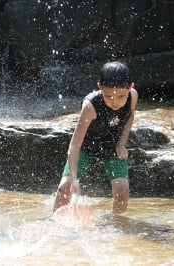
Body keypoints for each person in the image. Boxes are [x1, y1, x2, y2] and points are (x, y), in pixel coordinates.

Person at [53, 61, 138, 215]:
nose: (115, 101)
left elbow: (130, 117)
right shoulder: (90, 106)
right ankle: (55, 220)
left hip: (112, 146)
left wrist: (121, 144)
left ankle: (117, 223)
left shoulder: (133, 97)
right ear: (100, 87)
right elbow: (74, 145)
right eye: (108, 96)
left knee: (122, 191)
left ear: (130, 87)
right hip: (86, 147)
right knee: (64, 188)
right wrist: (73, 178)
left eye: (121, 96)